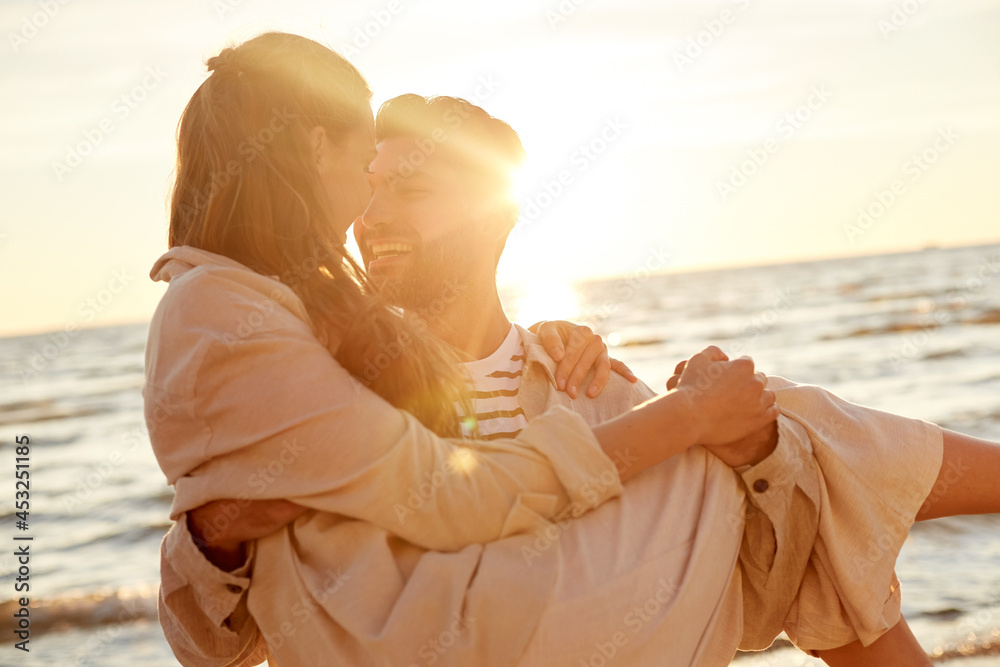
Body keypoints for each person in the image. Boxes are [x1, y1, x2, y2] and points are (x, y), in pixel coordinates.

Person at [148, 33, 1000, 666]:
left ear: (498, 212)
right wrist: (213, 538)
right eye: (369, 186)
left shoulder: (584, 385)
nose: (372, 218)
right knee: (791, 447)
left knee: (790, 469)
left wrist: (722, 427)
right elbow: (211, 645)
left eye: (408, 188)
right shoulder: (314, 365)